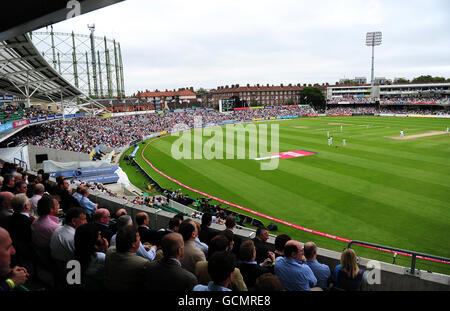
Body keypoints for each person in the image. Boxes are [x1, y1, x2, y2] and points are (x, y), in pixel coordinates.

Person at [104, 225, 150, 290]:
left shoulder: (110, 250)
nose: (140, 239)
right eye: (139, 236)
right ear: (133, 244)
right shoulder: (143, 263)